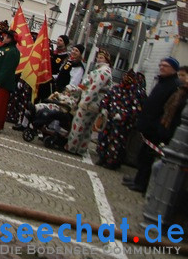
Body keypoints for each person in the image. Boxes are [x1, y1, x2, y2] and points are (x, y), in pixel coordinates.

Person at [124, 57, 183, 192]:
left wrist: (158, 126)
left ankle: (142, 184)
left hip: (156, 128)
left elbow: (168, 110)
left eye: (165, 66)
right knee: (142, 155)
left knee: (148, 158)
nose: (161, 67)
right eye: (161, 65)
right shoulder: (162, 81)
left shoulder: (174, 85)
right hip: (148, 125)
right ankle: (137, 178)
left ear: (173, 69)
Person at [64, 48, 113, 154]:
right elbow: (86, 84)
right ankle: (81, 149)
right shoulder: (99, 70)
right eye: (98, 57)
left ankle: (72, 147)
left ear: (106, 60)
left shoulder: (103, 72)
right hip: (92, 103)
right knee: (87, 128)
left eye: (101, 58)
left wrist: (85, 101)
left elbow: (94, 88)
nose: (98, 59)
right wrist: (76, 89)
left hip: (90, 103)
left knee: (79, 124)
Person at [94, 71, 147, 169]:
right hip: (109, 119)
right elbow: (106, 99)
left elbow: (137, 109)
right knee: (104, 138)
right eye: (126, 77)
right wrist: (104, 109)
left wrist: (123, 115)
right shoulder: (116, 89)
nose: (126, 79)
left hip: (122, 124)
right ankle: (102, 157)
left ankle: (112, 162)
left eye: (129, 78)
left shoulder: (136, 93)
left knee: (116, 142)